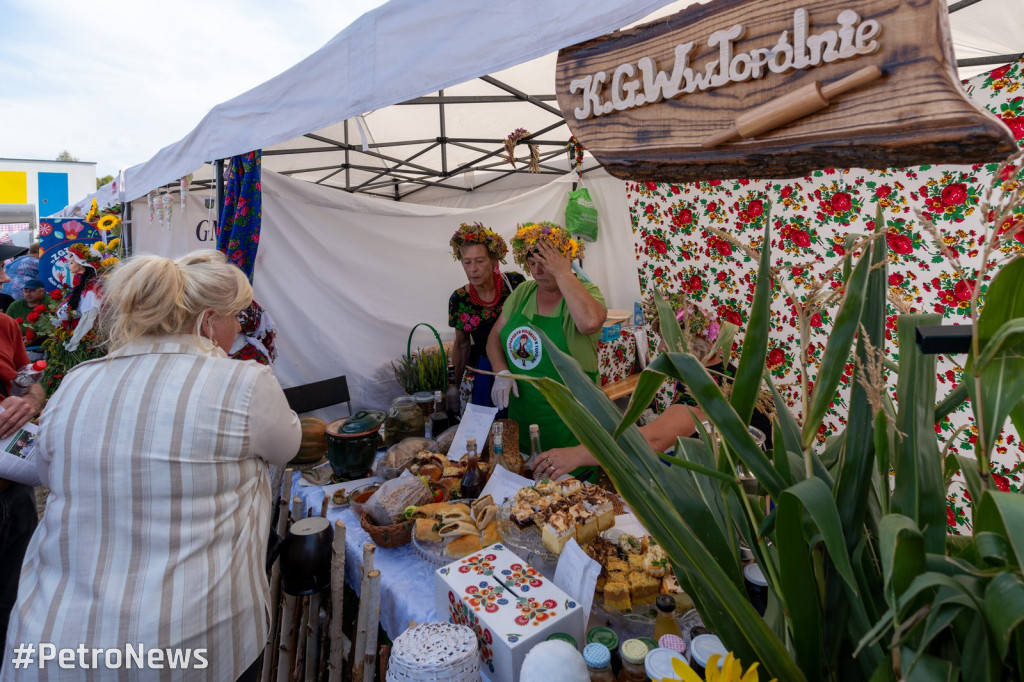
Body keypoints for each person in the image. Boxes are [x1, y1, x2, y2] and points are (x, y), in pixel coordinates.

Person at [2, 250, 301, 682]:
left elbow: (50, 471)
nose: (240, 328)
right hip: (190, 642)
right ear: (208, 320)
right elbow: (287, 445)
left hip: (58, 639)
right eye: (237, 316)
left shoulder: (78, 380)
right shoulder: (243, 382)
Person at [533, 303, 774, 480]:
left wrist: (574, 455)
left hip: (751, 488)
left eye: (664, 339)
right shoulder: (722, 369)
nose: (659, 347)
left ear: (687, 343)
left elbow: (652, 440)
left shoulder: (707, 389)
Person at [486, 221, 606, 478]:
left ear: (564, 260)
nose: (538, 270)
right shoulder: (523, 293)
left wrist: (564, 273)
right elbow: (494, 337)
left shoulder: (587, 292)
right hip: (526, 417)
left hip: (570, 427)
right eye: (532, 264)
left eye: (546, 262)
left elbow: (589, 323)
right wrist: (501, 371)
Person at [0, 313, 46, 674]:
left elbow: (28, 381)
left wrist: (28, 400)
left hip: (15, 489)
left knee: (12, 601)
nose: (3, 279)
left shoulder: (5, 324)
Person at [448, 222, 525, 409]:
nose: (472, 268)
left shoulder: (515, 284)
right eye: (467, 262)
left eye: (480, 261)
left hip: (521, 364)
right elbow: (462, 344)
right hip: (487, 371)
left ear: (494, 261)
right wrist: (456, 387)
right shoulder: (460, 299)